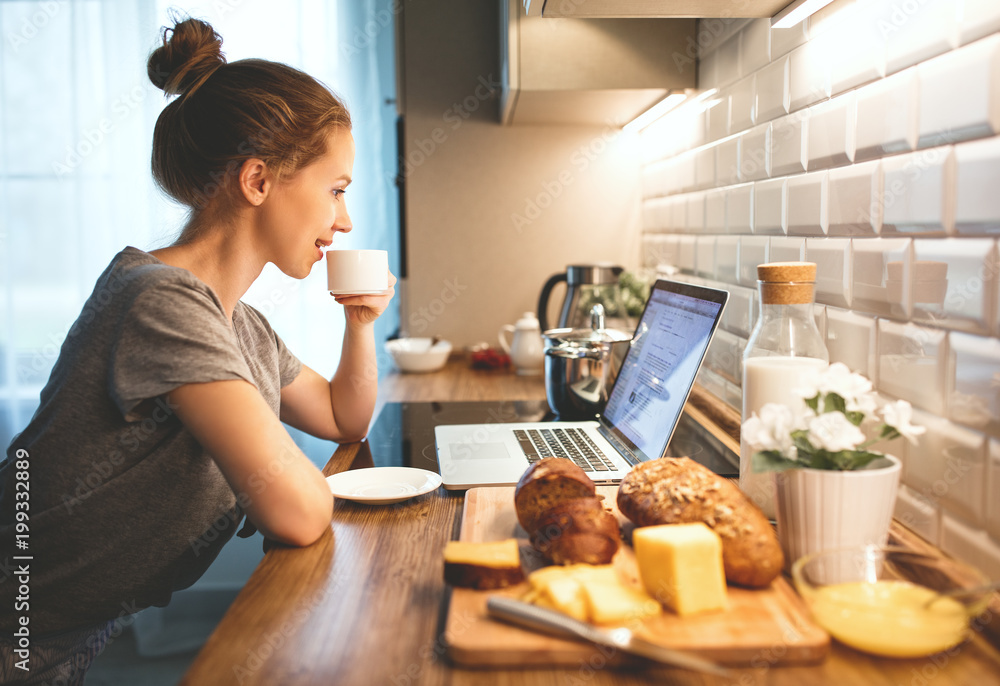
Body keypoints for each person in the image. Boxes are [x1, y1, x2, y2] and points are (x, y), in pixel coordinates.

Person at [0, 16, 394, 685]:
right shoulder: (162, 304)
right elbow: (296, 511)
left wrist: (360, 323)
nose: (345, 220)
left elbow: (342, 418)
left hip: (62, 637)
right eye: (335, 190)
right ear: (259, 181)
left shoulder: (237, 325)